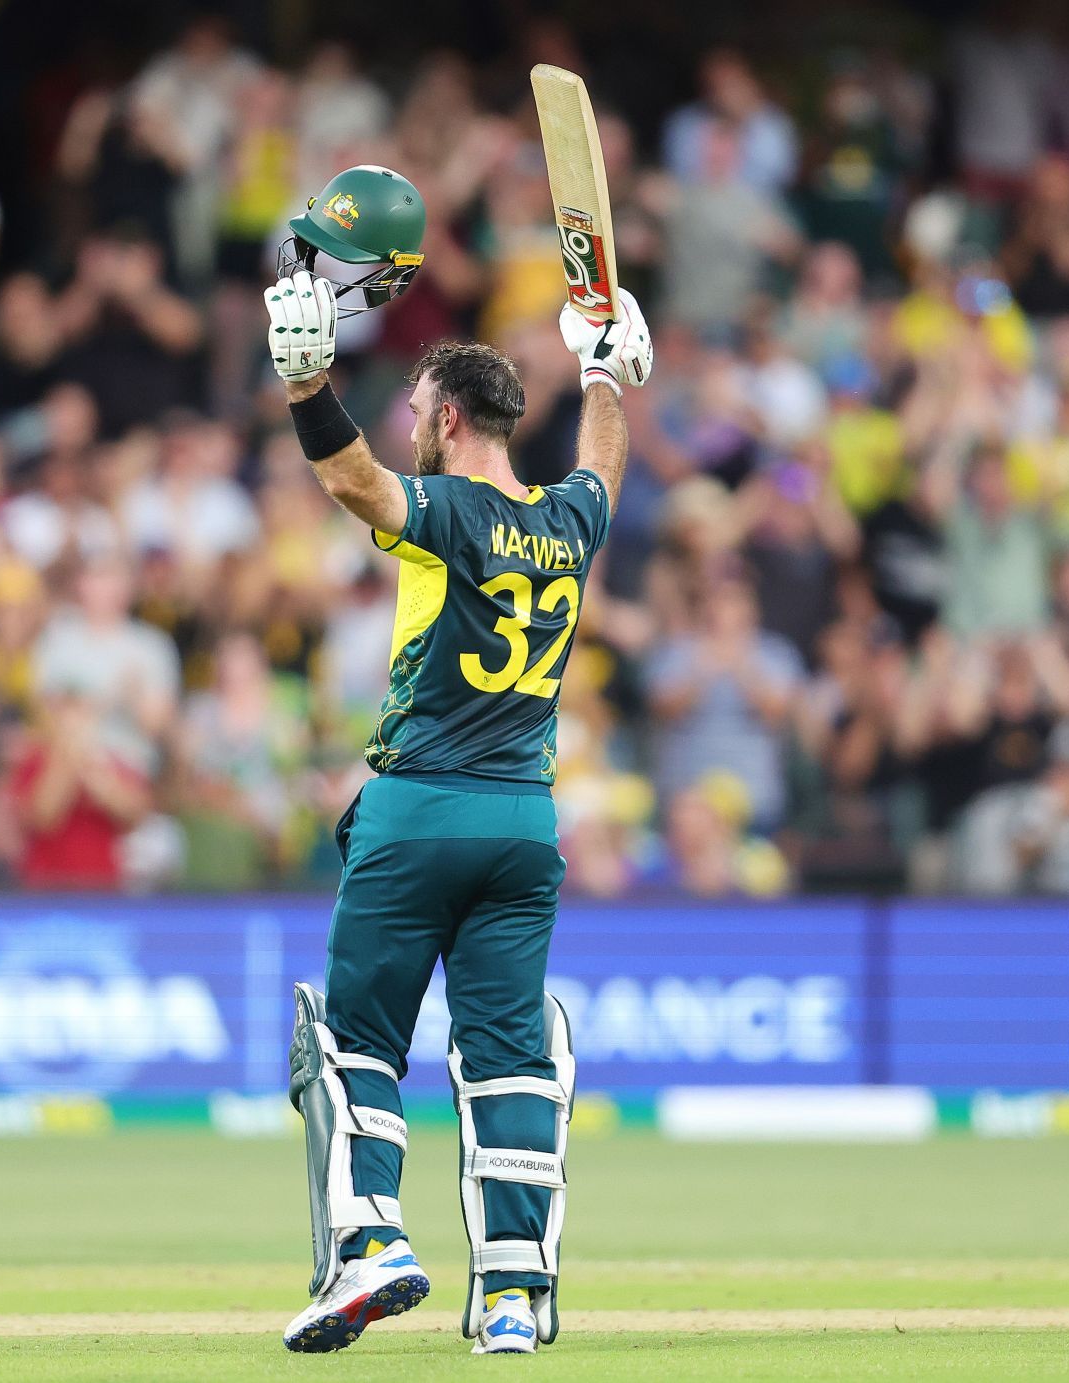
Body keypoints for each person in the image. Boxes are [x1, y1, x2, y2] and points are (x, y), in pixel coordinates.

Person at [262, 166, 652, 1356]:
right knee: (508, 1056)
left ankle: (371, 1245)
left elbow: (347, 482)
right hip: (525, 827)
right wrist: (608, 376)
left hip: (418, 808)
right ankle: (514, 1297)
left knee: (349, 1041)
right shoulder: (566, 523)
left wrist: (306, 381)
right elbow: (604, 468)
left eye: (415, 407)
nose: (407, 424)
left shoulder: (450, 510)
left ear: (444, 418)